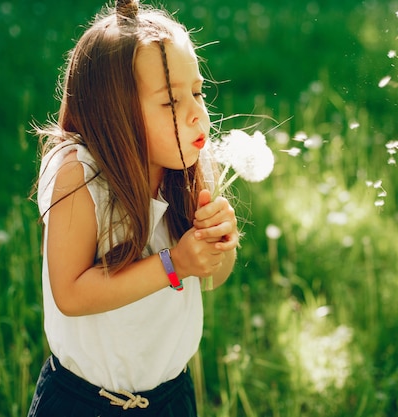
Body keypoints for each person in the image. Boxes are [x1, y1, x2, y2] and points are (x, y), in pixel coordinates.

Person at [27, 1, 239, 416]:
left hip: (170, 398)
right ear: (113, 112)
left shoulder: (191, 166)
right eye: (171, 102)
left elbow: (213, 279)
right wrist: (174, 263)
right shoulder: (80, 176)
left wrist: (219, 247)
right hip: (83, 402)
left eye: (197, 92)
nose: (198, 113)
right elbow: (70, 293)